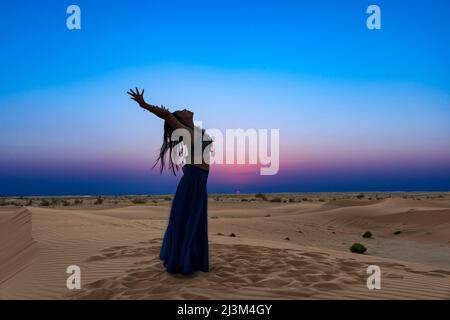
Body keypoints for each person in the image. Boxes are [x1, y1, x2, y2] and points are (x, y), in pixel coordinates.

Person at [127, 88, 212, 275]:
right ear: (180, 118)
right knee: (187, 218)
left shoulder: (195, 130)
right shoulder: (182, 129)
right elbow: (165, 115)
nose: (185, 108)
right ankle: (182, 262)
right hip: (193, 179)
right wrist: (144, 104)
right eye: (181, 109)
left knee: (195, 220)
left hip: (200, 180)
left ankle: (192, 259)